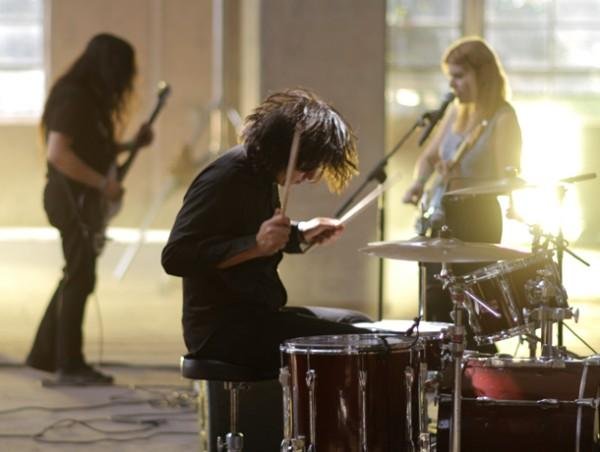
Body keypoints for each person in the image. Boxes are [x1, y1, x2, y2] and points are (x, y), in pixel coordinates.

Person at [161, 88, 370, 375]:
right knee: (361, 345)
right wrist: (257, 245)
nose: (311, 176)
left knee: (356, 322)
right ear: (284, 148)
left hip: (259, 316)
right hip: (223, 329)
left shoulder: (263, 173)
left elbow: (247, 233)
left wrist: (300, 233)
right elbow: (176, 257)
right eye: (308, 165)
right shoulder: (226, 178)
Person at [26, 33, 154, 385]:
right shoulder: (75, 98)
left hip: (81, 201)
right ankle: (70, 363)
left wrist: (130, 145)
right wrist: (102, 184)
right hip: (71, 201)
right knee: (80, 277)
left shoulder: (88, 100)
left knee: (76, 273)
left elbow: (91, 147)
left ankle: (45, 353)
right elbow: (59, 153)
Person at [402, 37, 522, 349]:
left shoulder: (503, 118)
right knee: (435, 301)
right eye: (450, 76)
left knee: (469, 310)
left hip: (477, 220)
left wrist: (462, 179)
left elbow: (508, 179)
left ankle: (474, 366)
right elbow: (429, 157)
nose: (452, 84)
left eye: (459, 76)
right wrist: (418, 183)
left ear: (482, 75)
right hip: (442, 217)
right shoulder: (457, 111)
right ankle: (442, 367)